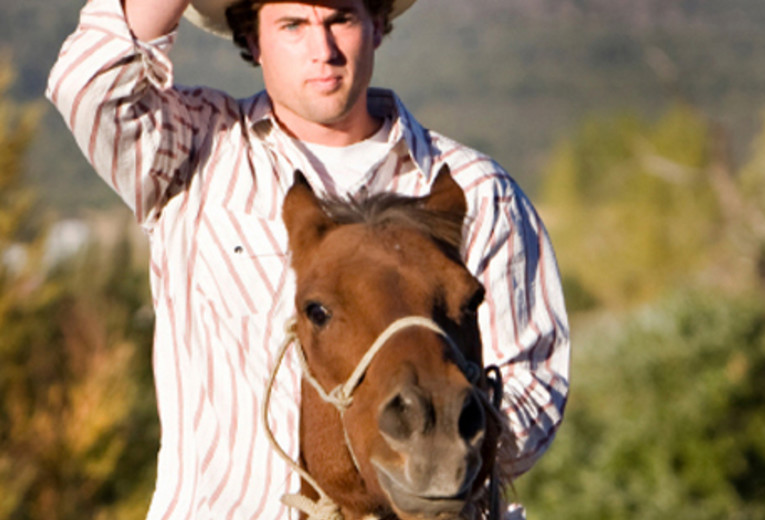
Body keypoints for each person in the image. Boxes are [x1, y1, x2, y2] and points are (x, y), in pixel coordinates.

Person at [46, 0, 570, 518]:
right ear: (253, 38)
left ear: (377, 25)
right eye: (292, 24)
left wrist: (431, 453)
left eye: (341, 17)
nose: (323, 50)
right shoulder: (194, 152)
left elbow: (534, 384)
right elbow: (88, 83)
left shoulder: (478, 191)